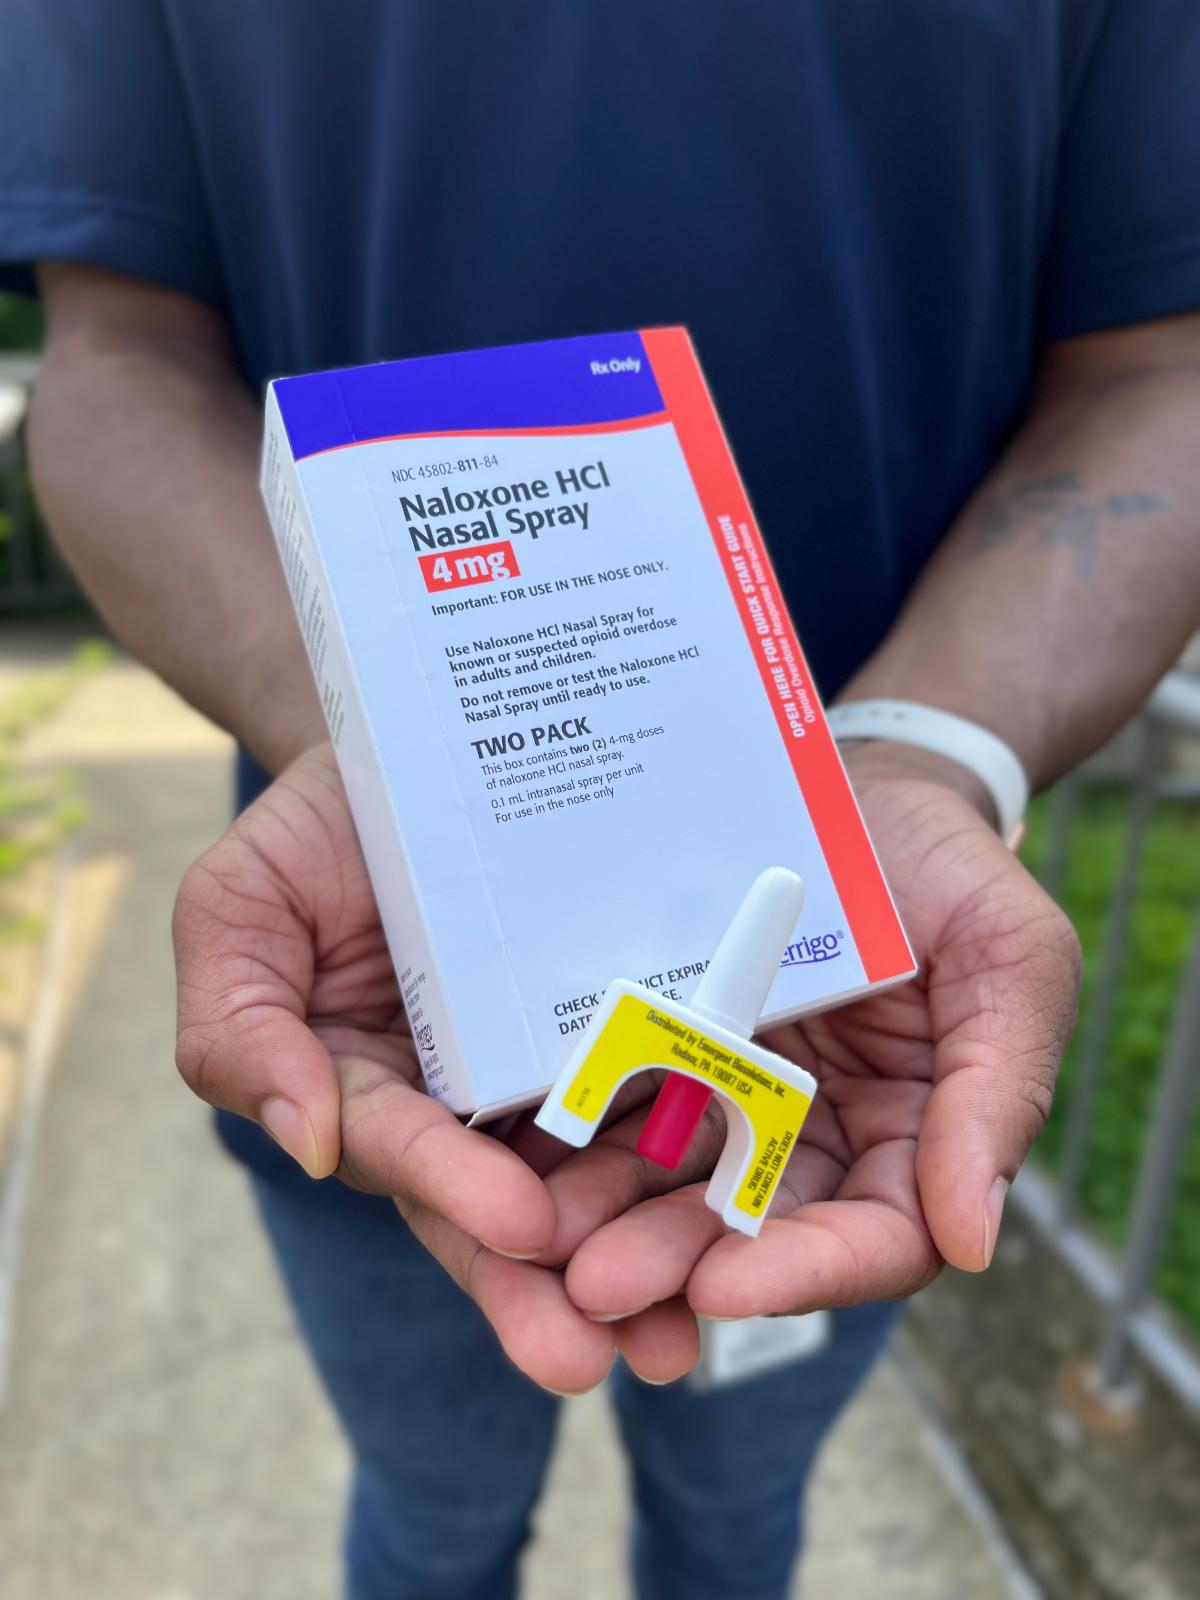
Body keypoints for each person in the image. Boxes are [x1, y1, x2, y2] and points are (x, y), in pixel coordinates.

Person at [3, 3, 1199, 1596]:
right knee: (433, 1524)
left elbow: (1156, 362)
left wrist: (919, 758)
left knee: (731, 1524)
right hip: (381, 981)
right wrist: (382, 770)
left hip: (847, 1018)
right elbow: (119, 347)